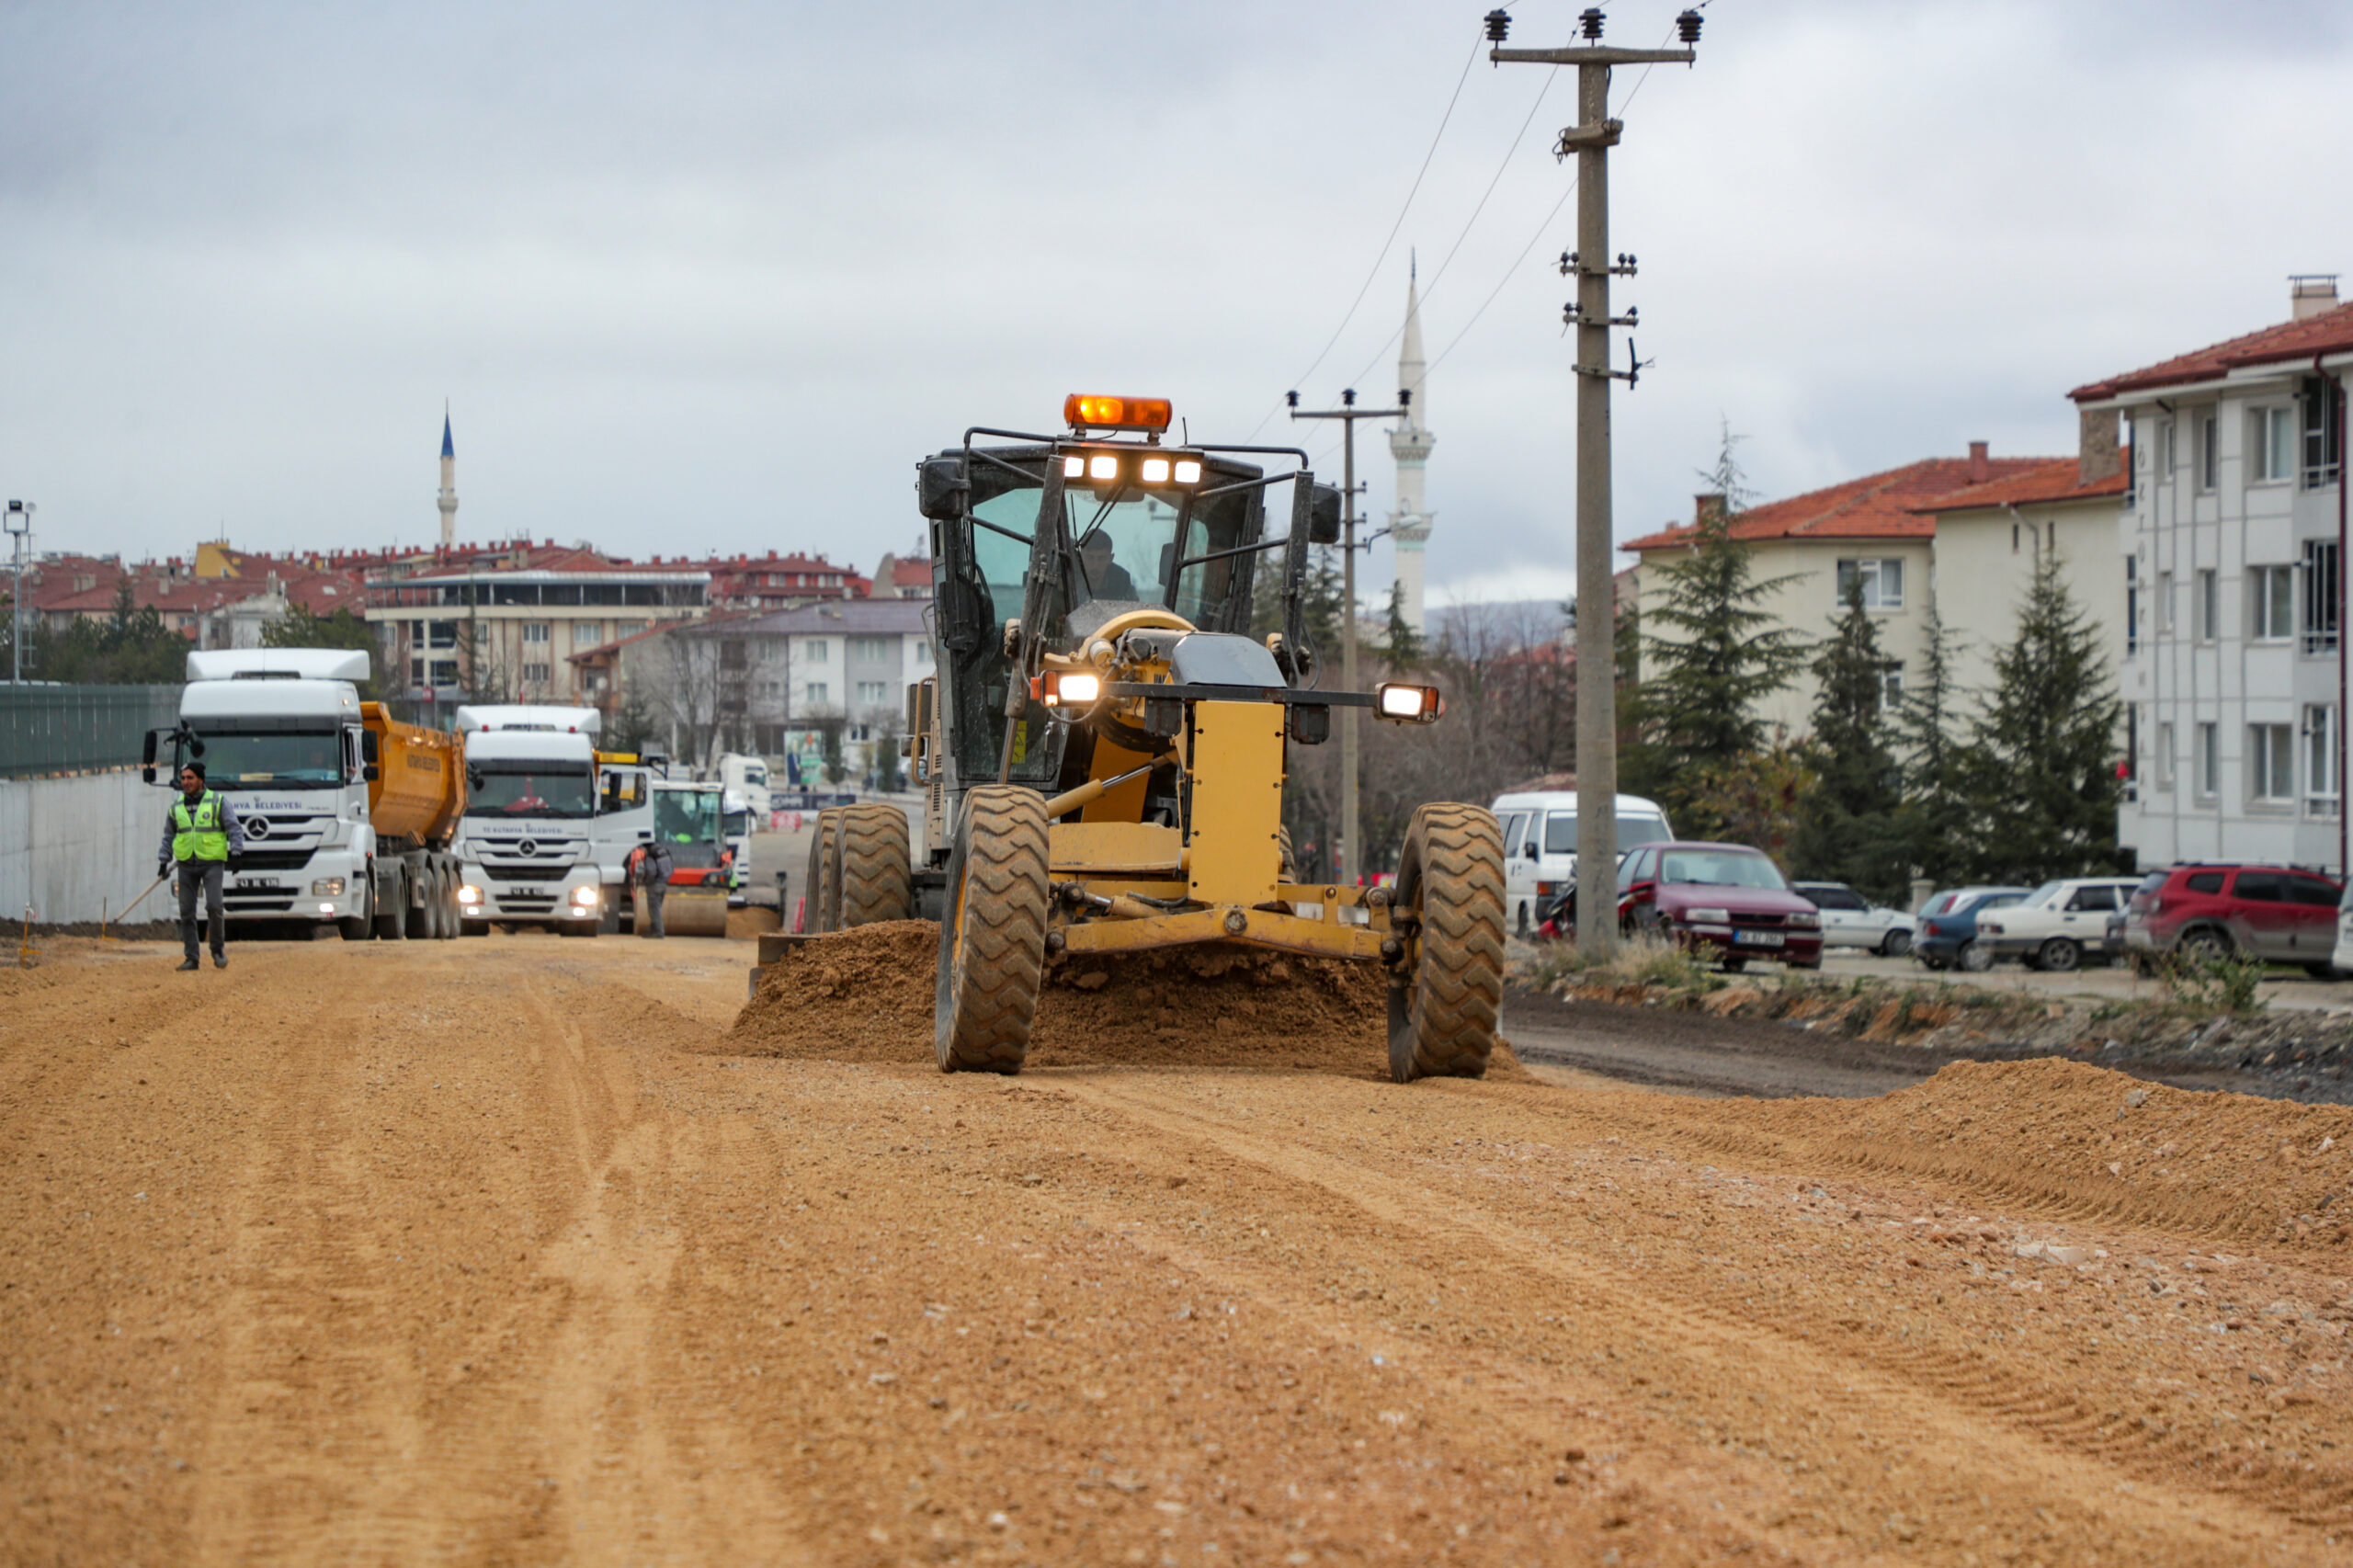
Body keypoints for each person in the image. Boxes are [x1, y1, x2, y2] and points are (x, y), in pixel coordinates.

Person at [157, 761, 244, 971]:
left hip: (212, 862)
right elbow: (168, 836)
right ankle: (192, 957)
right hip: (186, 864)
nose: (186, 782)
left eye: (190, 778)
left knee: (214, 906)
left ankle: (217, 949)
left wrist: (237, 852)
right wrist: (163, 860)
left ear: (200, 780)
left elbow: (234, 828)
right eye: (184, 778)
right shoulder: (176, 807)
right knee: (186, 912)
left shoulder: (218, 802)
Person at [629, 838, 675, 937]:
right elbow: (671, 867)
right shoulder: (664, 852)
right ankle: (653, 931)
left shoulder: (651, 854)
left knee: (654, 910)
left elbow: (651, 871)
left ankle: (658, 932)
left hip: (654, 884)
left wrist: (645, 881)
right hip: (664, 882)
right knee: (657, 908)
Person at [1077, 530, 1136, 600]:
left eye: (1101, 559)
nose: (1095, 565)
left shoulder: (1122, 584)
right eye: (1090, 558)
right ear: (1081, 556)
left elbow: (1135, 609)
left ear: (1110, 559)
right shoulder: (1069, 578)